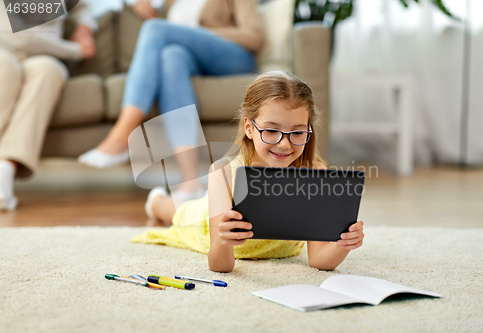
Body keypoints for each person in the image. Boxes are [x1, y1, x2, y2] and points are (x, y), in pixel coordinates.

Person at [131, 72, 365, 272]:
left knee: (189, 203)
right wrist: (223, 242)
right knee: (177, 211)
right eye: (272, 131)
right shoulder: (222, 172)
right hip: (203, 224)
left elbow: (318, 260)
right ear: (249, 128)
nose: (284, 144)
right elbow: (219, 264)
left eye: (297, 132)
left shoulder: (315, 173)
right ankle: (156, 201)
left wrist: (342, 244)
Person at [78, 0, 264, 205]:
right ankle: (190, 182)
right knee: (171, 57)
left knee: (155, 29)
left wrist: (197, 34)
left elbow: (254, 35)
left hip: (234, 57)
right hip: (191, 58)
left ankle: (122, 135)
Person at [0, 2, 97, 211]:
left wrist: (85, 26)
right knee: (4, 68)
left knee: (48, 70)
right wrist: (76, 50)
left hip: (43, 58)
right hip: (5, 50)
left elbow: (81, 7)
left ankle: (5, 170)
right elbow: (19, 37)